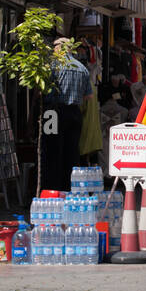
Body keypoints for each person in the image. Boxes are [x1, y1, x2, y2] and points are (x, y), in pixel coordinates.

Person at [41, 38, 93, 191]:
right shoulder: (82, 68)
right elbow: (88, 96)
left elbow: (43, 91)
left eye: (55, 47)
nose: (53, 50)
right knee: (72, 151)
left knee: (52, 150)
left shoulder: (53, 66)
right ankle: (69, 188)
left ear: (60, 48)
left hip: (53, 112)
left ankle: (52, 188)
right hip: (75, 112)